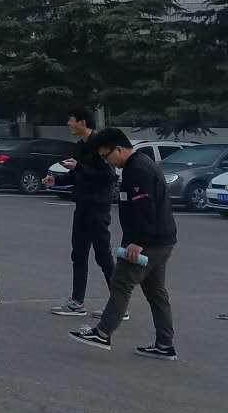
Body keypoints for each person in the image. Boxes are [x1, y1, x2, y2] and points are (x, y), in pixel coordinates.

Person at [69, 129, 177, 359]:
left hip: (148, 242)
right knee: (156, 292)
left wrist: (137, 242)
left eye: (106, 156)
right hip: (161, 240)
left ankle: (102, 333)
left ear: (118, 149)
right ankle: (164, 344)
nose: (106, 161)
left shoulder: (138, 169)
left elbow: (144, 208)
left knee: (121, 283)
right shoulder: (138, 165)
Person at [47, 107, 117, 317]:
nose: (68, 124)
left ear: (83, 122)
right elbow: (77, 175)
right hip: (82, 206)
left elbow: (107, 177)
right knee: (78, 254)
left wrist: (78, 167)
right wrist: (56, 180)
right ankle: (77, 302)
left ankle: (118, 305)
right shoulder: (80, 146)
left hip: (98, 208)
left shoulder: (100, 145)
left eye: (71, 120)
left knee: (103, 256)